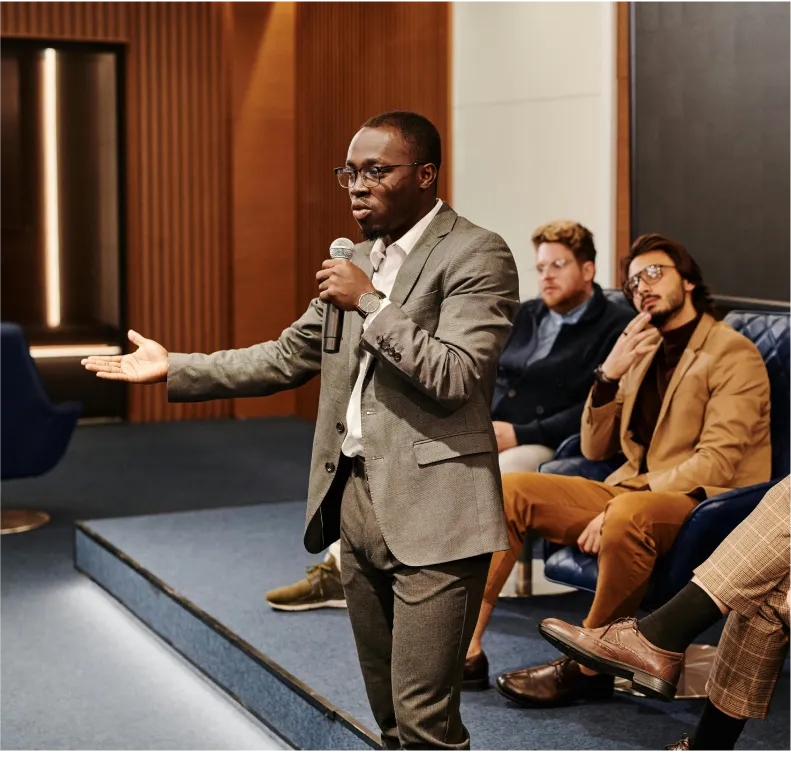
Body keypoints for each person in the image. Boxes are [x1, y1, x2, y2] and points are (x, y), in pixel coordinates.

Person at [82, 111, 520, 752]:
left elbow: (455, 375)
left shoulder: (476, 252)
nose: (357, 186)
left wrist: (369, 302)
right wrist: (173, 366)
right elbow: (284, 357)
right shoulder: (359, 259)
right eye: (350, 172)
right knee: (391, 719)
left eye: (377, 171)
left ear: (426, 176)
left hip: (437, 510)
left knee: (426, 721)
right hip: (357, 500)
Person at [462, 233, 772, 702]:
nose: (642, 286)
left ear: (687, 281)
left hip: (705, 500)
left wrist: (628, 499)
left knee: (627, 515)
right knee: (509, 491)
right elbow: (595, 444)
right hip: (635, 488)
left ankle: (587, 668)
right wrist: (608, 374)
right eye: (632, 282)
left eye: (654, 274)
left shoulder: (731, 352)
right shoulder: (643, 350)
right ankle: (465, 648)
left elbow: (718, 462)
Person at [265, 220, 634, 614]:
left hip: (545, 440)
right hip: (485, 425)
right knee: (409, 453)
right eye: (541, 268)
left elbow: (598, 404)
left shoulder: (614, 326)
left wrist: (522, 432)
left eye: (558, 266)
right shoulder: (528, 314)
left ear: (588, 271)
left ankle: (440, 586)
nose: (546, 277)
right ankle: (342, 568)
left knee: (494, 471)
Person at [538, 474, 791, 752]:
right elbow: (594, 449)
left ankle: (659, 640)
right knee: (771, 584)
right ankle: (706, 742)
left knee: (769, 588)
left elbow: (716, 463)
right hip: (626, 480)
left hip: (692, 493)